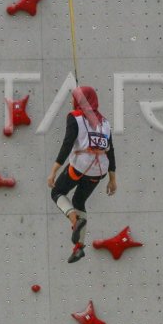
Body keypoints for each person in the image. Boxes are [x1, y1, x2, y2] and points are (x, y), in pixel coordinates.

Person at [48, 86, 117, 263]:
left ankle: (74, 219)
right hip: (100, 170)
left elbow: (68, 143)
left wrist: (54, 170)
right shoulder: (105, 123)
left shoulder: (75, 117)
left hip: (80, 166)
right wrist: (112, 179)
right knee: (79, 201)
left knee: (57, 192)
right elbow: (111, 151)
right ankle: (79, 247)